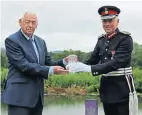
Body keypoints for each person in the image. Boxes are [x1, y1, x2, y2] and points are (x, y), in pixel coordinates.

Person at [67, 5, 138, 115]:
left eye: (110, 20)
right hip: (106, 89)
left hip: (122, 90)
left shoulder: (125, 39)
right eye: (104, 21)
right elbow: (92, 59)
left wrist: (88, 68)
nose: (107, 24)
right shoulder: (101, 40)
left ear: (117, 21)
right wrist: (76, 66)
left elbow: (115, 63)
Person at [2, 12, 69, 115]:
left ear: (37, 24)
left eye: (33, 23)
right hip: (19, 98)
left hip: (37, 99)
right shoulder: (12, 41)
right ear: (20, 22)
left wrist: (64, 61)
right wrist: (51, 70)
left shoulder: (41, 42)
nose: (30, 25)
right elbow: (24, 66)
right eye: (27, 22)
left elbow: (48, 62)